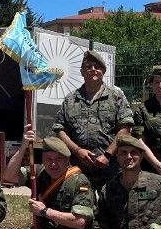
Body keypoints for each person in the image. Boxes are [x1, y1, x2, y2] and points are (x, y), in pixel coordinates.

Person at [52, 49, 134, 190]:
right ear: (82, 72)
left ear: (103, 71)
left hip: (110, 167)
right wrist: (77, 150)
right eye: (88, 67)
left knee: (109, 209)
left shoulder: (116, 97)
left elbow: (125, 128)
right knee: (80, 207)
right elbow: (59, 129)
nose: (93, 70)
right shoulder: (71, 100)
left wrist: (107, 155)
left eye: (97, 67)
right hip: (78, 168)